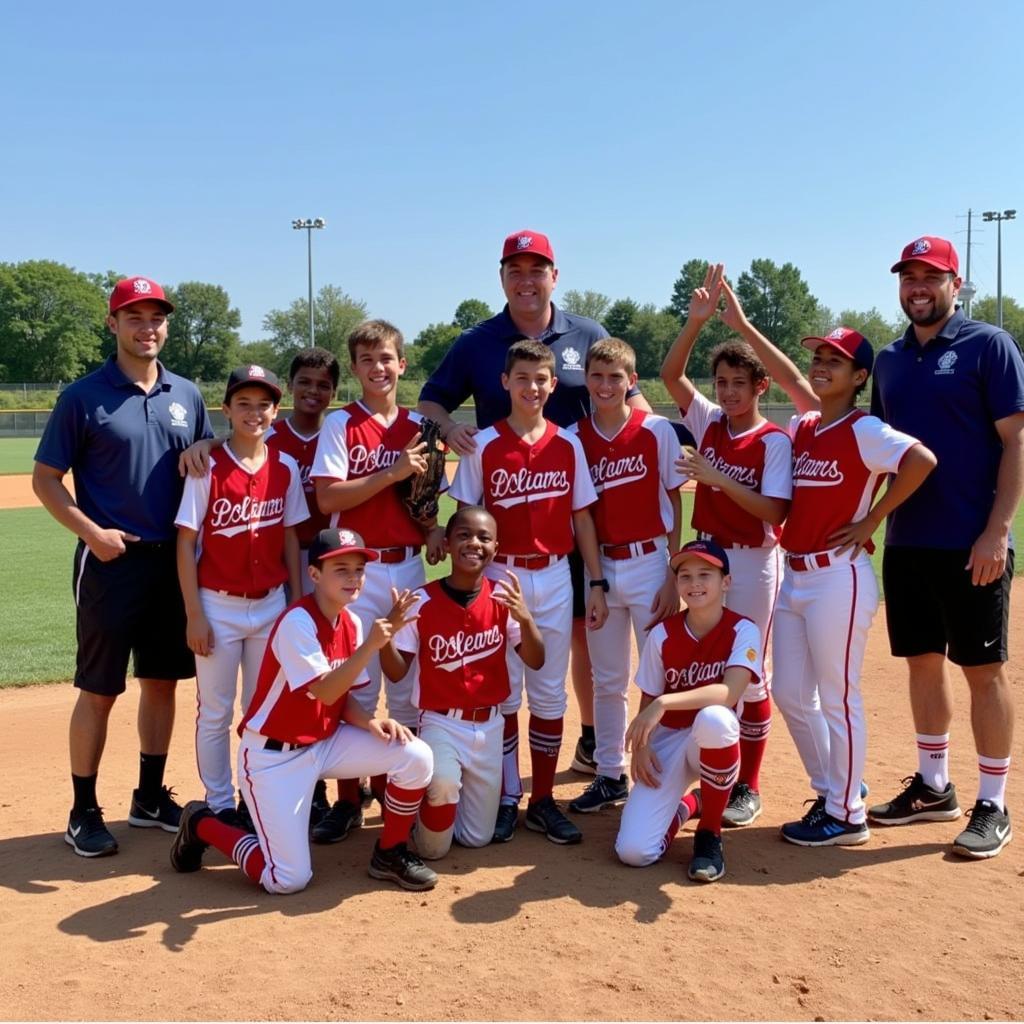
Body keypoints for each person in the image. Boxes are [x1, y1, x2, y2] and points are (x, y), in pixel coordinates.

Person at [418, 229, 652, 777]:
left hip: (571, 500)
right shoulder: (477, 340)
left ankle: (593, 740)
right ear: (502, 277)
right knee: (514, 656)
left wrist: (671, 440)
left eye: (537, 269)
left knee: (580, 634)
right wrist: (451, 426)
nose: (527, 280)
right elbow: (430, 398)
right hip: (503, 522)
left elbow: (629, 395)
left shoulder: (587, 331)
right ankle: (505, 781)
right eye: (515, 270)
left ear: (555, 275)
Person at [718, 279, 937, 846]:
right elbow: (788, 378)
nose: (821, 366)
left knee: (839, 695)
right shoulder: (807, 426)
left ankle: (847, 816)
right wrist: (742, 327)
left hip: (839, 577)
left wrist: (873, 521)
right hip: (795, 575)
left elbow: (921, 460)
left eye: (835, 361)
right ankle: (836, 789)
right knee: (792, 692)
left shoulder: (864, 429)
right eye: (819, 357)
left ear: (859, 377)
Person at [32, 276, 213, 857]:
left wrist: (201, 451)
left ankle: (149, 795)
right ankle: (83, 809)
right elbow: (45, 480)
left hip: (173, 562)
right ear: (113, 325)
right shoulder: (83, 396)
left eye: (156, 317)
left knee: (162, 682)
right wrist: (91, 532)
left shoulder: (187, 394)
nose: (147, 327)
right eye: (134, 317)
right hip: (110, 559)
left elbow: (210, 461)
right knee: (99, 687)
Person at [169, 527, 437, 893]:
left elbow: (343, 701)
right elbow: (326, 691)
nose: (353, 578)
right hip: (272, 758)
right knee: (287, 880)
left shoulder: (353, 622)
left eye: (359, 569)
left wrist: (371, 722)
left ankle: (390, 852)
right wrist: (373, 646)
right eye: (340, 569)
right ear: (314, 575)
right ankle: (202, 823)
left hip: (324, 745)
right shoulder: (297, 622)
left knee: (416, 756)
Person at [867, 235, 1024, 858]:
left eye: (930, 277)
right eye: (908, 277)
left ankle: (994, 801)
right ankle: (934, 787)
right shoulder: (889, 359)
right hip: (908, 541)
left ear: (955, 285)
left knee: (984, 670)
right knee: (923, 662)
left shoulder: (989, 345)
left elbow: (1016, 441)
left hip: (971, 540)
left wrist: (997, 530)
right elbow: (881, 451)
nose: (917, 287)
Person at [448, 339, 607, 844]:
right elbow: (464, 519)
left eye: (541, 379)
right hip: (500, 576)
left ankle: (541, 800)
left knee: (548, 692)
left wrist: (596, 580)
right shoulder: (485, 445)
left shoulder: (569, 444)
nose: (531, 387)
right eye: (522, 378)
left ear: (552, 384)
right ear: (505, 383)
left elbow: (582, 515)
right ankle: (505, 795)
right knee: (503, 693)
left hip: (556, 574)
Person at [660, 263, 792, 827]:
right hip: (708, 558)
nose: (729, 392)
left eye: (741, 383)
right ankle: (712, 763)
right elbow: (669, 375)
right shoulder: (710, 421)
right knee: (713, 661)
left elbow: (773, 512)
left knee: (749, 669)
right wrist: (693, 323)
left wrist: (717, 479)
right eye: (723, 383)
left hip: (753, 559)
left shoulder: (774, 440)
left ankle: (748, 784)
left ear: (761, 386)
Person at [310, 320, 444, 842]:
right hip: (353, 572)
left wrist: (431, 529)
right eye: (367, 360)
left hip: (408, 564)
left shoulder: (419, 424)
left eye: (386, 358)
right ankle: (347, 801)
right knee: (356, 683)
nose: (378, 368)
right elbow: (327, 500)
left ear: (402, 364)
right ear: (356, 370)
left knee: (407, 687)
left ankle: (400, 795)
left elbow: (426, 498)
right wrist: (390, 472)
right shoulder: (341, 425)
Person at [175, 365, 307, 825]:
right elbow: (186, 542)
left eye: (264, 404)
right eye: (244, 404)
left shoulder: (286, 468)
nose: (255, 413)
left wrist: (294, 602)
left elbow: (291, 539)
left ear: (276, 411)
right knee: (215, 711)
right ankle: (219, 802)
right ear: (226, 410)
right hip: (218, 604)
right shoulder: (207, 467)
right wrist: (195, 613)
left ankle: (254, 793)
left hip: (271, 605)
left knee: (260, 709)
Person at [380, 506, 545, 859]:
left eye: (484, 537)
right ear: (448, 543)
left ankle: (443, 808)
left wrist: (526, 618)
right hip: (441, 721)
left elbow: (535, 659)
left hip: (490, 726)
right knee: (435, 843)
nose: (474, 543)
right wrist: (386, 638)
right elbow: (396, 672)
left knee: (475, 839)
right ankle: (424, 812)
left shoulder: (503, 598)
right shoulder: (422, 601)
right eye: (464, 535)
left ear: (496, 548)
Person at [566, 339, 686, 814]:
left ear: (631, 382)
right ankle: (610, 773)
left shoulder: (657, 430)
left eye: (616, 377)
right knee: (607, 677)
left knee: (656, 675)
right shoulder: (575, 437)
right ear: (586, 380)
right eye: (596, 376)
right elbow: (583, 518)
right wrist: (595, 582)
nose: (605, 385)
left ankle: (655, 771)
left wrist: (674, 573)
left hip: (651, 561)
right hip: (603, 567)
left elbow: (676, 502)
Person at [615, 540, 757, 883]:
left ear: (726, 582)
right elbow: (648, 698)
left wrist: (666, 702)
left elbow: (729, 693)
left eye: (705, 574)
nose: (694, 583)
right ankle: (690, 806)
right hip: (668, 742)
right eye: (685, 575)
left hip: (711, 741)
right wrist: (644, 746)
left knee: (715, 718)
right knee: (634, 853)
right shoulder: (662, 634)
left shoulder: (743, 629)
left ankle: (710, 835)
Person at [264, 346, 341, 828]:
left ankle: (337, 776)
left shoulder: (338, 432)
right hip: (287, 559)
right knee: (297, 677)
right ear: (290, 386)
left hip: (335, 560)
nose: (313, 392)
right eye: (305, 382)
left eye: (323, 385)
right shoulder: (271, 434)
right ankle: (302, 784)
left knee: (337, 668)